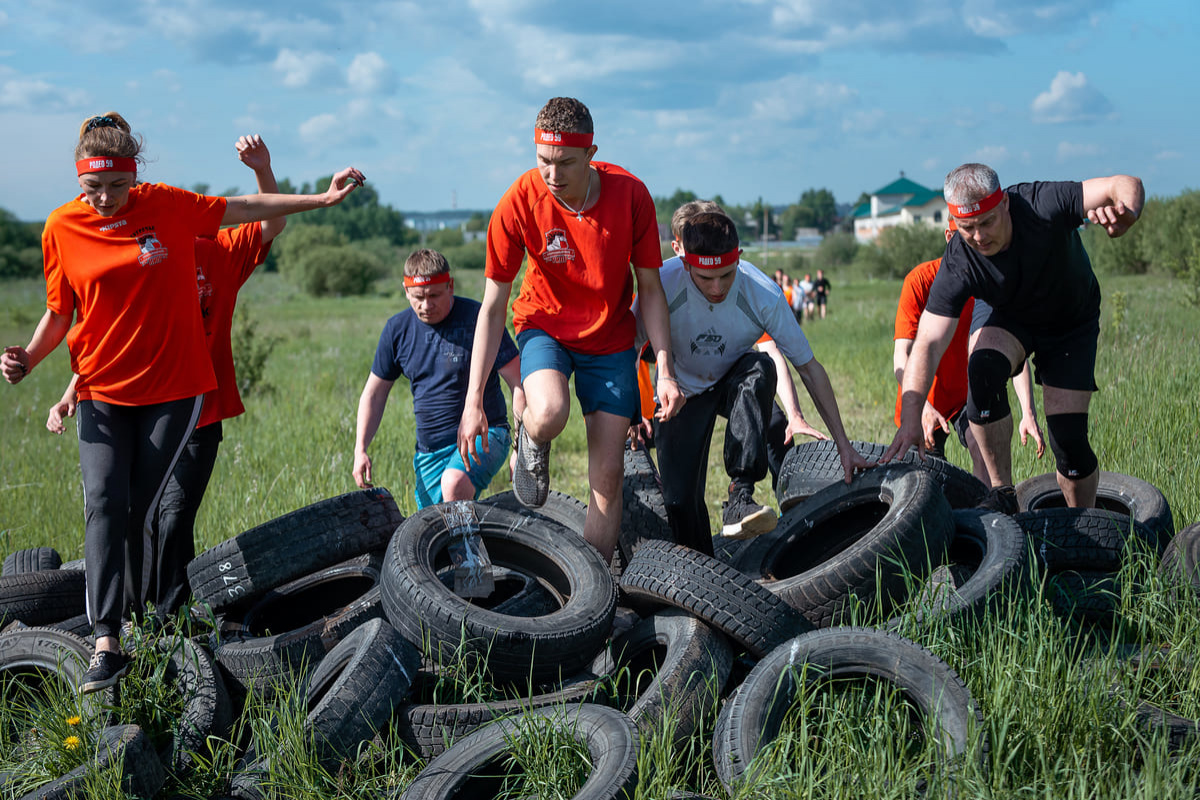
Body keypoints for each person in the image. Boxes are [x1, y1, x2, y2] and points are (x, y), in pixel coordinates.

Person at [2, 112, 365, 694]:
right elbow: (68, 313)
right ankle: (108, 640)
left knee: (153, 515)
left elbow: (251, 211)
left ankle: (161, 622)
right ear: (77, 180)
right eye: (92, 188)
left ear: (135, 177)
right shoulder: (62, 227)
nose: (104, 200)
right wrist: (34, 362)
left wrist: (320, 199)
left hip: (182, 394)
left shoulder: (177, 214)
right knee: (105, 505)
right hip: (105, 391)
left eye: (116, 187)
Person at [44, 134, 289, 625]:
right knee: (135, 513)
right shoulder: (138, 251)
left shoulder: (219, 248)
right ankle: (132, 619)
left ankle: (170, 620)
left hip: (199, 406)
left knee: (173, 516)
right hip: (136, 401)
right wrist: (73, 389)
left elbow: (269, 221)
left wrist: (262, 168)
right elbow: (109, 328)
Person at [457, 97, 682, 564]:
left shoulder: (631, 195)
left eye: (565, 163)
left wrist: (664, 368)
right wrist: (474, 399)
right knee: (550, 411)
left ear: (591, 153)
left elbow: (652, 290)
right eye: (542, 161)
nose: (552, 175)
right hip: (545, 326)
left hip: (611, 338)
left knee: (608, 477)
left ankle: (593, 589)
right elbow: (493, 305)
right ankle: (531, 434)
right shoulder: (519, 201)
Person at [882, 163, 1144, 512]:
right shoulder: (960, 260)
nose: (978, 237)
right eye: (967, 228)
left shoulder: (1042, 202)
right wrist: (912, 419)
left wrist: (1127, 213)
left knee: (1068, 439)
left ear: (1004, 203)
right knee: (983, 367)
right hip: (1011, 317)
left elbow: (1123, 183)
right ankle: (1001, 494)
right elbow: (928, 343)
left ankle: (1083, 523)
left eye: (987, 222)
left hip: (1071, 323)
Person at [633, 208, 868, 554]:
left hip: (733, 380)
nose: (716, 288)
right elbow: (624, 349)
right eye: (704, 278)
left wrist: (843, 445)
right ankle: (703, 575)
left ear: (738, 258)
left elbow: (809, 368)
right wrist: (629, 414)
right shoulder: (664, 283)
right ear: (685, 263)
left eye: (726, 276)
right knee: (680, 503)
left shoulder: (762, 292)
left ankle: (741, 494)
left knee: (761, 368)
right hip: (681, 391)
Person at [354, 249, 524, 508]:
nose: (426, 305)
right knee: (432, 527)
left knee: (453, 484)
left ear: (450, 285)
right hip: (429, 453)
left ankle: (469, 548)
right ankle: (477, 547)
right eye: (418, 297)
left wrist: (520, 449)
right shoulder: (397, 330)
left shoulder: (480, 320)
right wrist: (360, 448)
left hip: (487, 434)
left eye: (434, 295)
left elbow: (518, 382)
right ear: (405, 290)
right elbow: (374, 394)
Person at [892, 217, 1044, 483]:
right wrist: (922, 405)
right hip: (925, 392)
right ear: (950, 238)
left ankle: (987, 514)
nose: (976, 242)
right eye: (965, 236)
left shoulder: (990, 284)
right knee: (928, 472)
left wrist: (1028, 413)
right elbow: (901, 357)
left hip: (967, 392)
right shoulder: (919, 281)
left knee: (982, 446)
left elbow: (1014, 353)